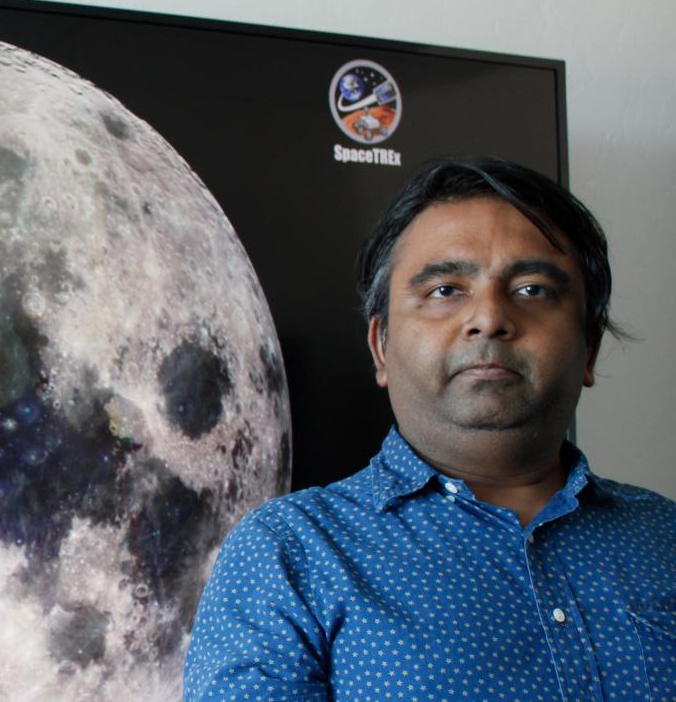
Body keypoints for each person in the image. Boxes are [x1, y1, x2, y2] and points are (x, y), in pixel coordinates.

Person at [184, 157, 676, 701]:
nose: (489, 318)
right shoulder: (288, 554)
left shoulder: (666, 536)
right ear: (381, 347)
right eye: (445, 290)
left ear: (589, 349)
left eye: (532, 289)